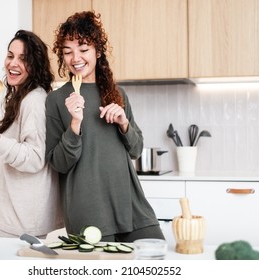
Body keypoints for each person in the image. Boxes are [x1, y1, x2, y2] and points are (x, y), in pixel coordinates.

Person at [45, 11, 164, 242]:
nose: (75, 58)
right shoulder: (57, 100)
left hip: (131, 204)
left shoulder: (118, 94)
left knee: (156, 258)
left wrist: (124, 123)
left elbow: (136, 150)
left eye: (83, 49)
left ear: (98, 51)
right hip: (89, 210)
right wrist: (75, 124)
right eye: (67, 52)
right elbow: (58, 163)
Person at [0, 30, 63, 238]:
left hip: (25, 221)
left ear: (35, 66)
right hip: (14, 216)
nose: (12, 63)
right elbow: (5, 150)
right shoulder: (18, 96)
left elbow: (34, 159)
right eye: (10, 55)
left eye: (23, 59)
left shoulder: (34, 101)